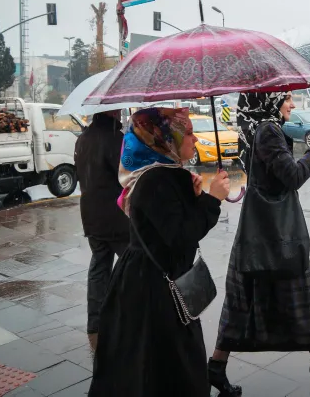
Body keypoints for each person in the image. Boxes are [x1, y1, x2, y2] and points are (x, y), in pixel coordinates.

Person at [209, 92, 310, 396]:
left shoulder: (259, 127)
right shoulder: (268, 131)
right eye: (286, 98)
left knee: (253, 300)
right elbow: (293, 176)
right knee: (292, 295)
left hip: (260, 233)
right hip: (274, 234)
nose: (292, 104)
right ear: (269, 100)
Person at [89, 107, 231, 397]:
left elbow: (171, 226)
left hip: (148, 282)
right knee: (160, 368)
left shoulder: (165, 173)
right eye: (187, 133)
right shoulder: (156, 179)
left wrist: (196, 197)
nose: (194, 139)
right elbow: (181, 237)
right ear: (165, 138)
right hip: (152, 293)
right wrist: (213, 200)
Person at [74, 111, 130, 337]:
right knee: (131, 267)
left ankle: (96, 321)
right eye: (117, 110)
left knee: (99, 267)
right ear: (111, 112)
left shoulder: (83, 138)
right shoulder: (115, 139)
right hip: (116, 218)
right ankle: (129, 318)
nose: (120, 112)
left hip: (91, 215)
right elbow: (126, 175)